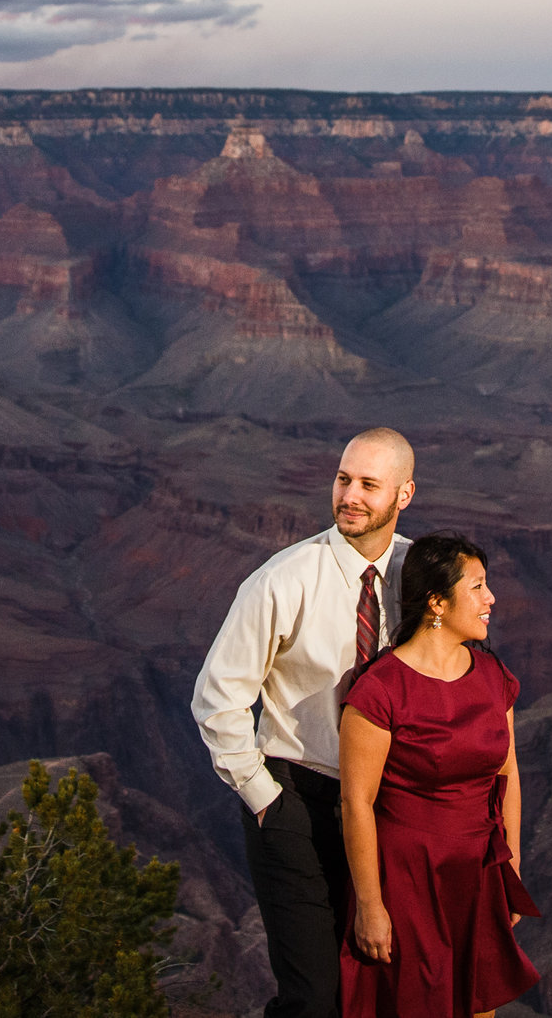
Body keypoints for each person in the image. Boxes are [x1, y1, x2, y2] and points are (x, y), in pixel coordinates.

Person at [193, 427, 417, 1018]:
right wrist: (265, 799)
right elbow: (218, 697)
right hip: (301, 801)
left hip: (392, 810)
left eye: (370, 484)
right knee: (314, 998)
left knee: (384, 987)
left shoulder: (421, 578)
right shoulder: (284, 579)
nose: (350, 496)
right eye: (344, 479)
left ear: (404, 495)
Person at [338, 533, 540, 1018]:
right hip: (407, 879)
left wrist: (509, 870)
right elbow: (356, 803)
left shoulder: (494, 677)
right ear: (436, 602)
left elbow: (507, 775)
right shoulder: (380, 691)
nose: (490, 598)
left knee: (476, 1007)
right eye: (476, 587)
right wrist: (370, 905)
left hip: (476, 872)